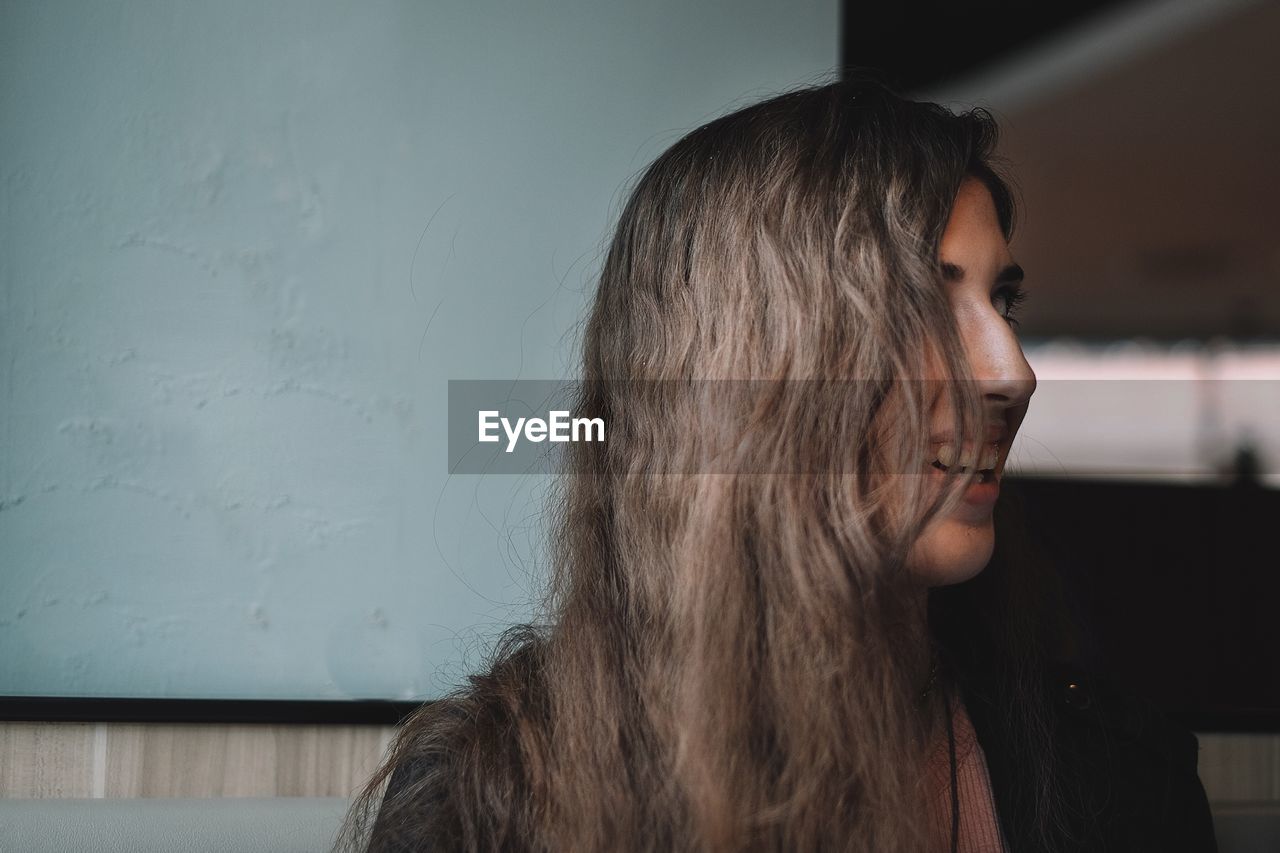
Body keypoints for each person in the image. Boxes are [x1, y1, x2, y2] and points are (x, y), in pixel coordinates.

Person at [335, 78, 1217, 852]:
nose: (1011, 373)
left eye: (1003, 301)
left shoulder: (1116, 775)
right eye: (921, 303)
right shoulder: (494, 787)